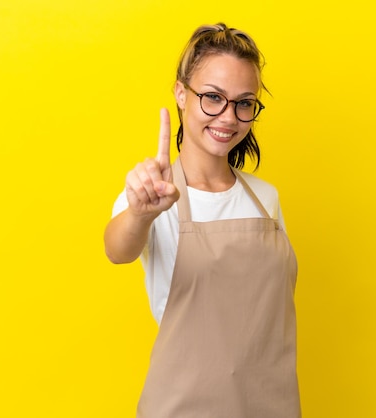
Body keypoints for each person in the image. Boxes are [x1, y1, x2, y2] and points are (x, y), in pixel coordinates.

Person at [104, 22, 300, 418]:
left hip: (270, 406)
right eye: (213, 97)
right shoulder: (153, 195)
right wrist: (141, 213)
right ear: (181, 93)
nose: (228, 117)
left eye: (244, 103)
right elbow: (117, 248)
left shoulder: (266, 199)